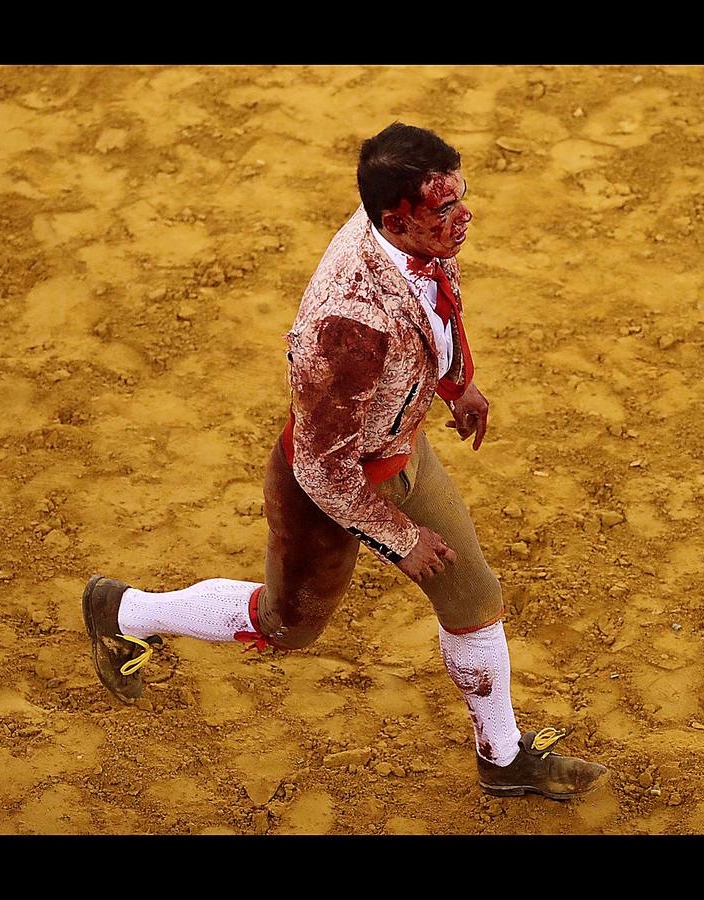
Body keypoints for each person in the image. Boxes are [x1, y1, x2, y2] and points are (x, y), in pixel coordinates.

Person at [82, 122, 608, 801]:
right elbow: (322, 469)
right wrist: (401, 535)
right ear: (396, 217)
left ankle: (502, 758)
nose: (464, 215)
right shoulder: (345, 325)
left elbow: (436, 305)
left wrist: (455, 382)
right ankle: (124, 612)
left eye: (460, 196)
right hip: (331, 486)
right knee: (286, 626)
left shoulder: (408, 230)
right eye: (446, 208)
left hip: (398, 443)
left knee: (473, 597)